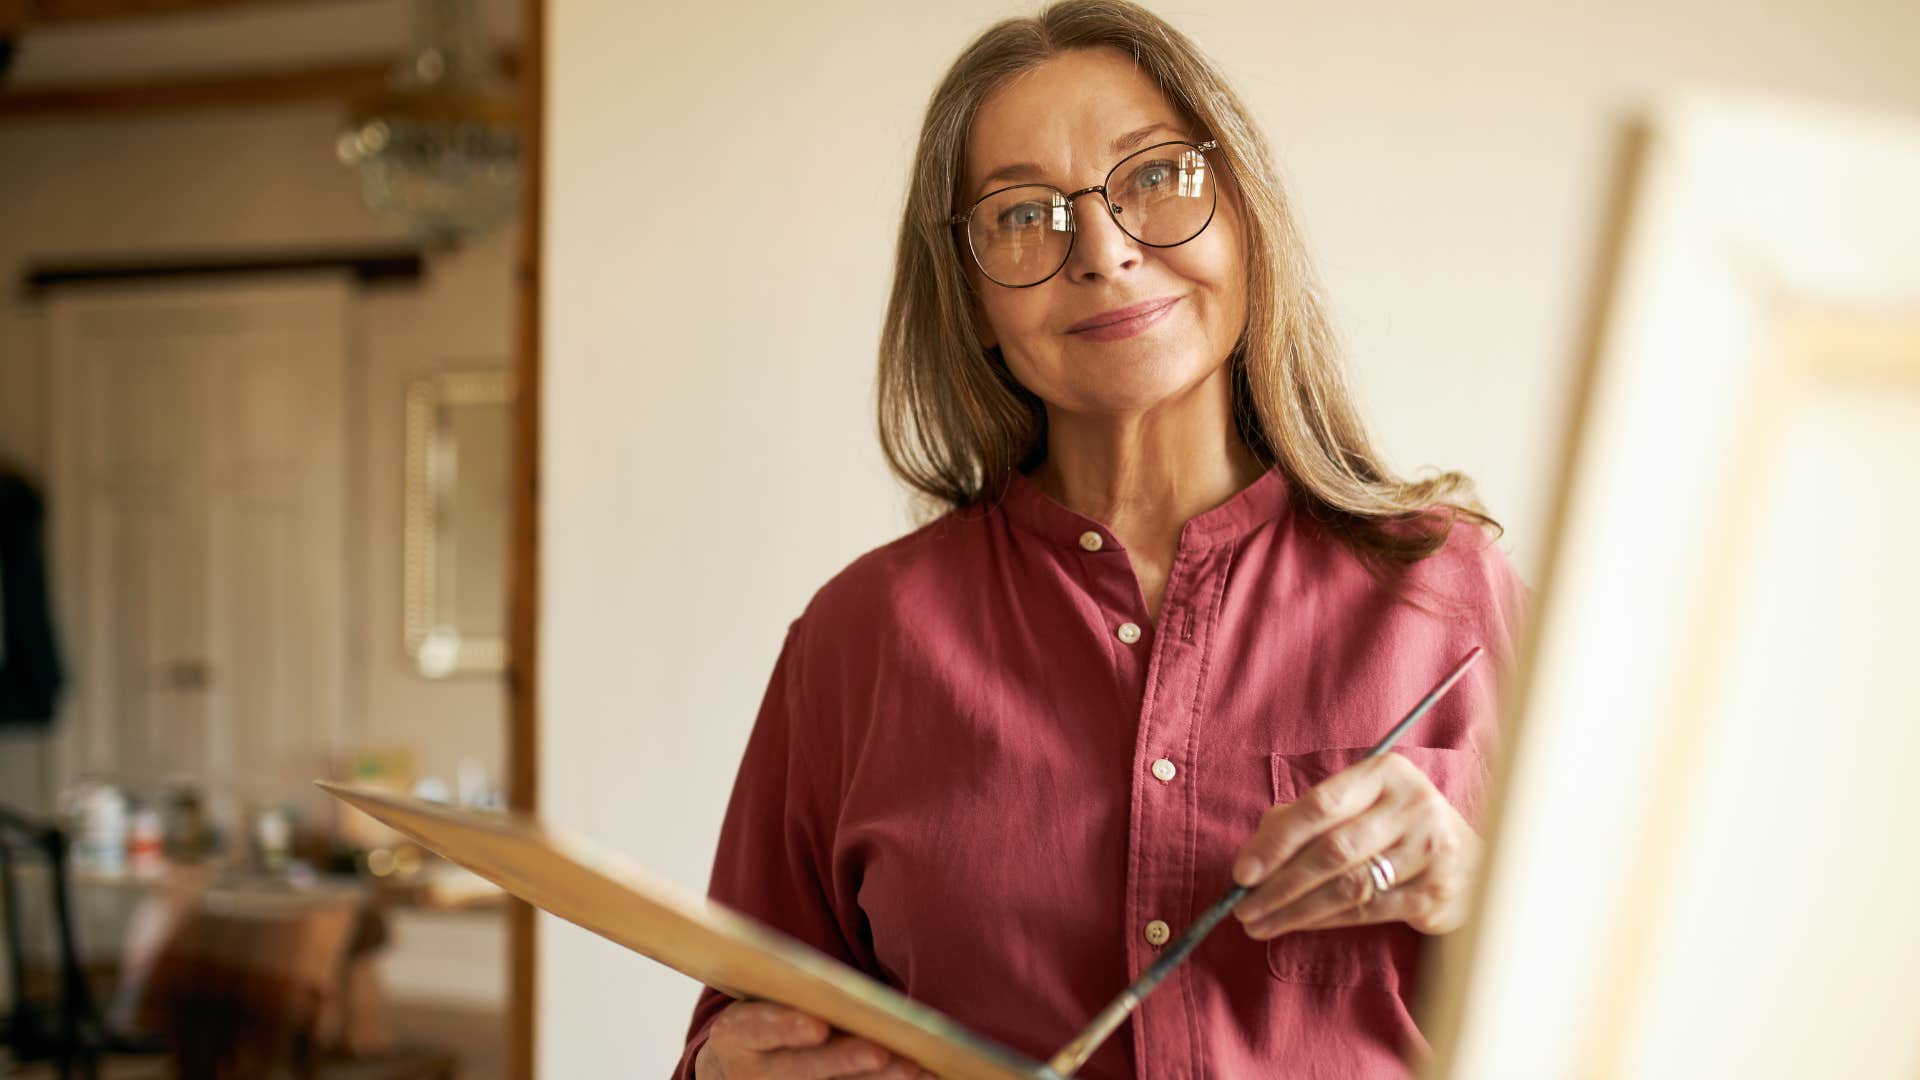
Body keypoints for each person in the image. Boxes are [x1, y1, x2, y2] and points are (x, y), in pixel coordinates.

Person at [679, 2, 1528, 1077]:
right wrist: (728, 1067)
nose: (1105, 252)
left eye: (1157, 176)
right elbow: (734, 1030)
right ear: (970, 297)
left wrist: (1486, 892)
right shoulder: (857, 641)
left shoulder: (1454, 594)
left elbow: (1654, 993)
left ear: (1244, 216)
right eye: (1022, 214)